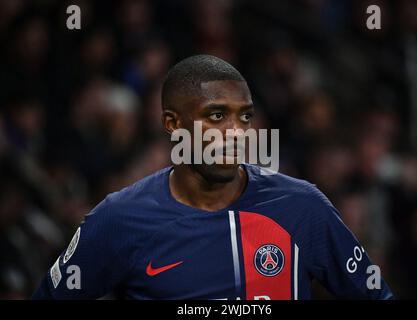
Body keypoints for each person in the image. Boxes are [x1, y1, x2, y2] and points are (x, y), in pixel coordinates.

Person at [32, 55, 393, 299]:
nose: (237, 132)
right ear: (173, 123)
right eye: (217, 116)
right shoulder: (119, 219)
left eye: (245, 117)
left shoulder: (303, 208)